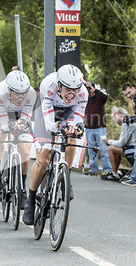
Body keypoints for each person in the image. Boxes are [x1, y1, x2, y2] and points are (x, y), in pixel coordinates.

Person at [23, 64, 87, 225]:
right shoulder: (48, 85)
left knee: (72, 136)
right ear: (59, 85)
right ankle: (30, 200)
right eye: (67, 89)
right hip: (47, 112)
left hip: (68, 113)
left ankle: (67, 175)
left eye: (75, 89)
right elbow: (49, 124)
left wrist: (77, 128)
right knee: (43, 158)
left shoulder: (83, 93)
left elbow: (78, 118)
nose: (71, 93)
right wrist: (58, 126)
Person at [0, 70, 35, 209]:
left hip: (20, 114)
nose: (20, 97)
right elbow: (3, 120)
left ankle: (21, 187)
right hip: (1, 112)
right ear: (9, 90)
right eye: (16, 93)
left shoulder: (32, 94)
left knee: (25, 149)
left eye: (23, 94)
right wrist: (10, 125)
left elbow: (27, 116)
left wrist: (21, 123)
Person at [83, 82, 112, 178]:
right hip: (88, 128)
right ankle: (93, 169)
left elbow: (105, 97)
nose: (88, 90)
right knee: (92, 150)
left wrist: (94, 90)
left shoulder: (100, 98)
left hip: (100, 127)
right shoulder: (84, 99)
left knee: (104, 150)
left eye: (89, 88)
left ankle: (107, 170)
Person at [103, 107, 136, 181]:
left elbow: (121, 144)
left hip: (134, 149)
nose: (114, 119)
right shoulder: (129, 121)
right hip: (134, 147)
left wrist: (108, 141)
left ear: (121, 115)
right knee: (114, 148)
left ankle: (114, 173)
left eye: (115, 117)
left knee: (111, 148)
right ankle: (115, 172)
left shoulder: (126, 123)